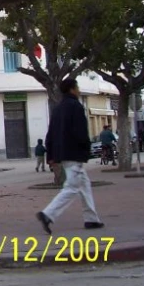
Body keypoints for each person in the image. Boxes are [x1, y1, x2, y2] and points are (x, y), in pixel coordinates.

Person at [36, 78, 103, 234]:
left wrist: (51, 155)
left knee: (84, 185)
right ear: (72, 89)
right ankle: (48, 214)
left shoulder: (58, 109)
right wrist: (86, 150)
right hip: (74, 154)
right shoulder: (76, 107)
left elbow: (50, 134)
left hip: (63, 154)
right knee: (72, 187)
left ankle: (91, 219)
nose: (79, 90)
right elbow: (81, 132)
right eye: (77, 87)